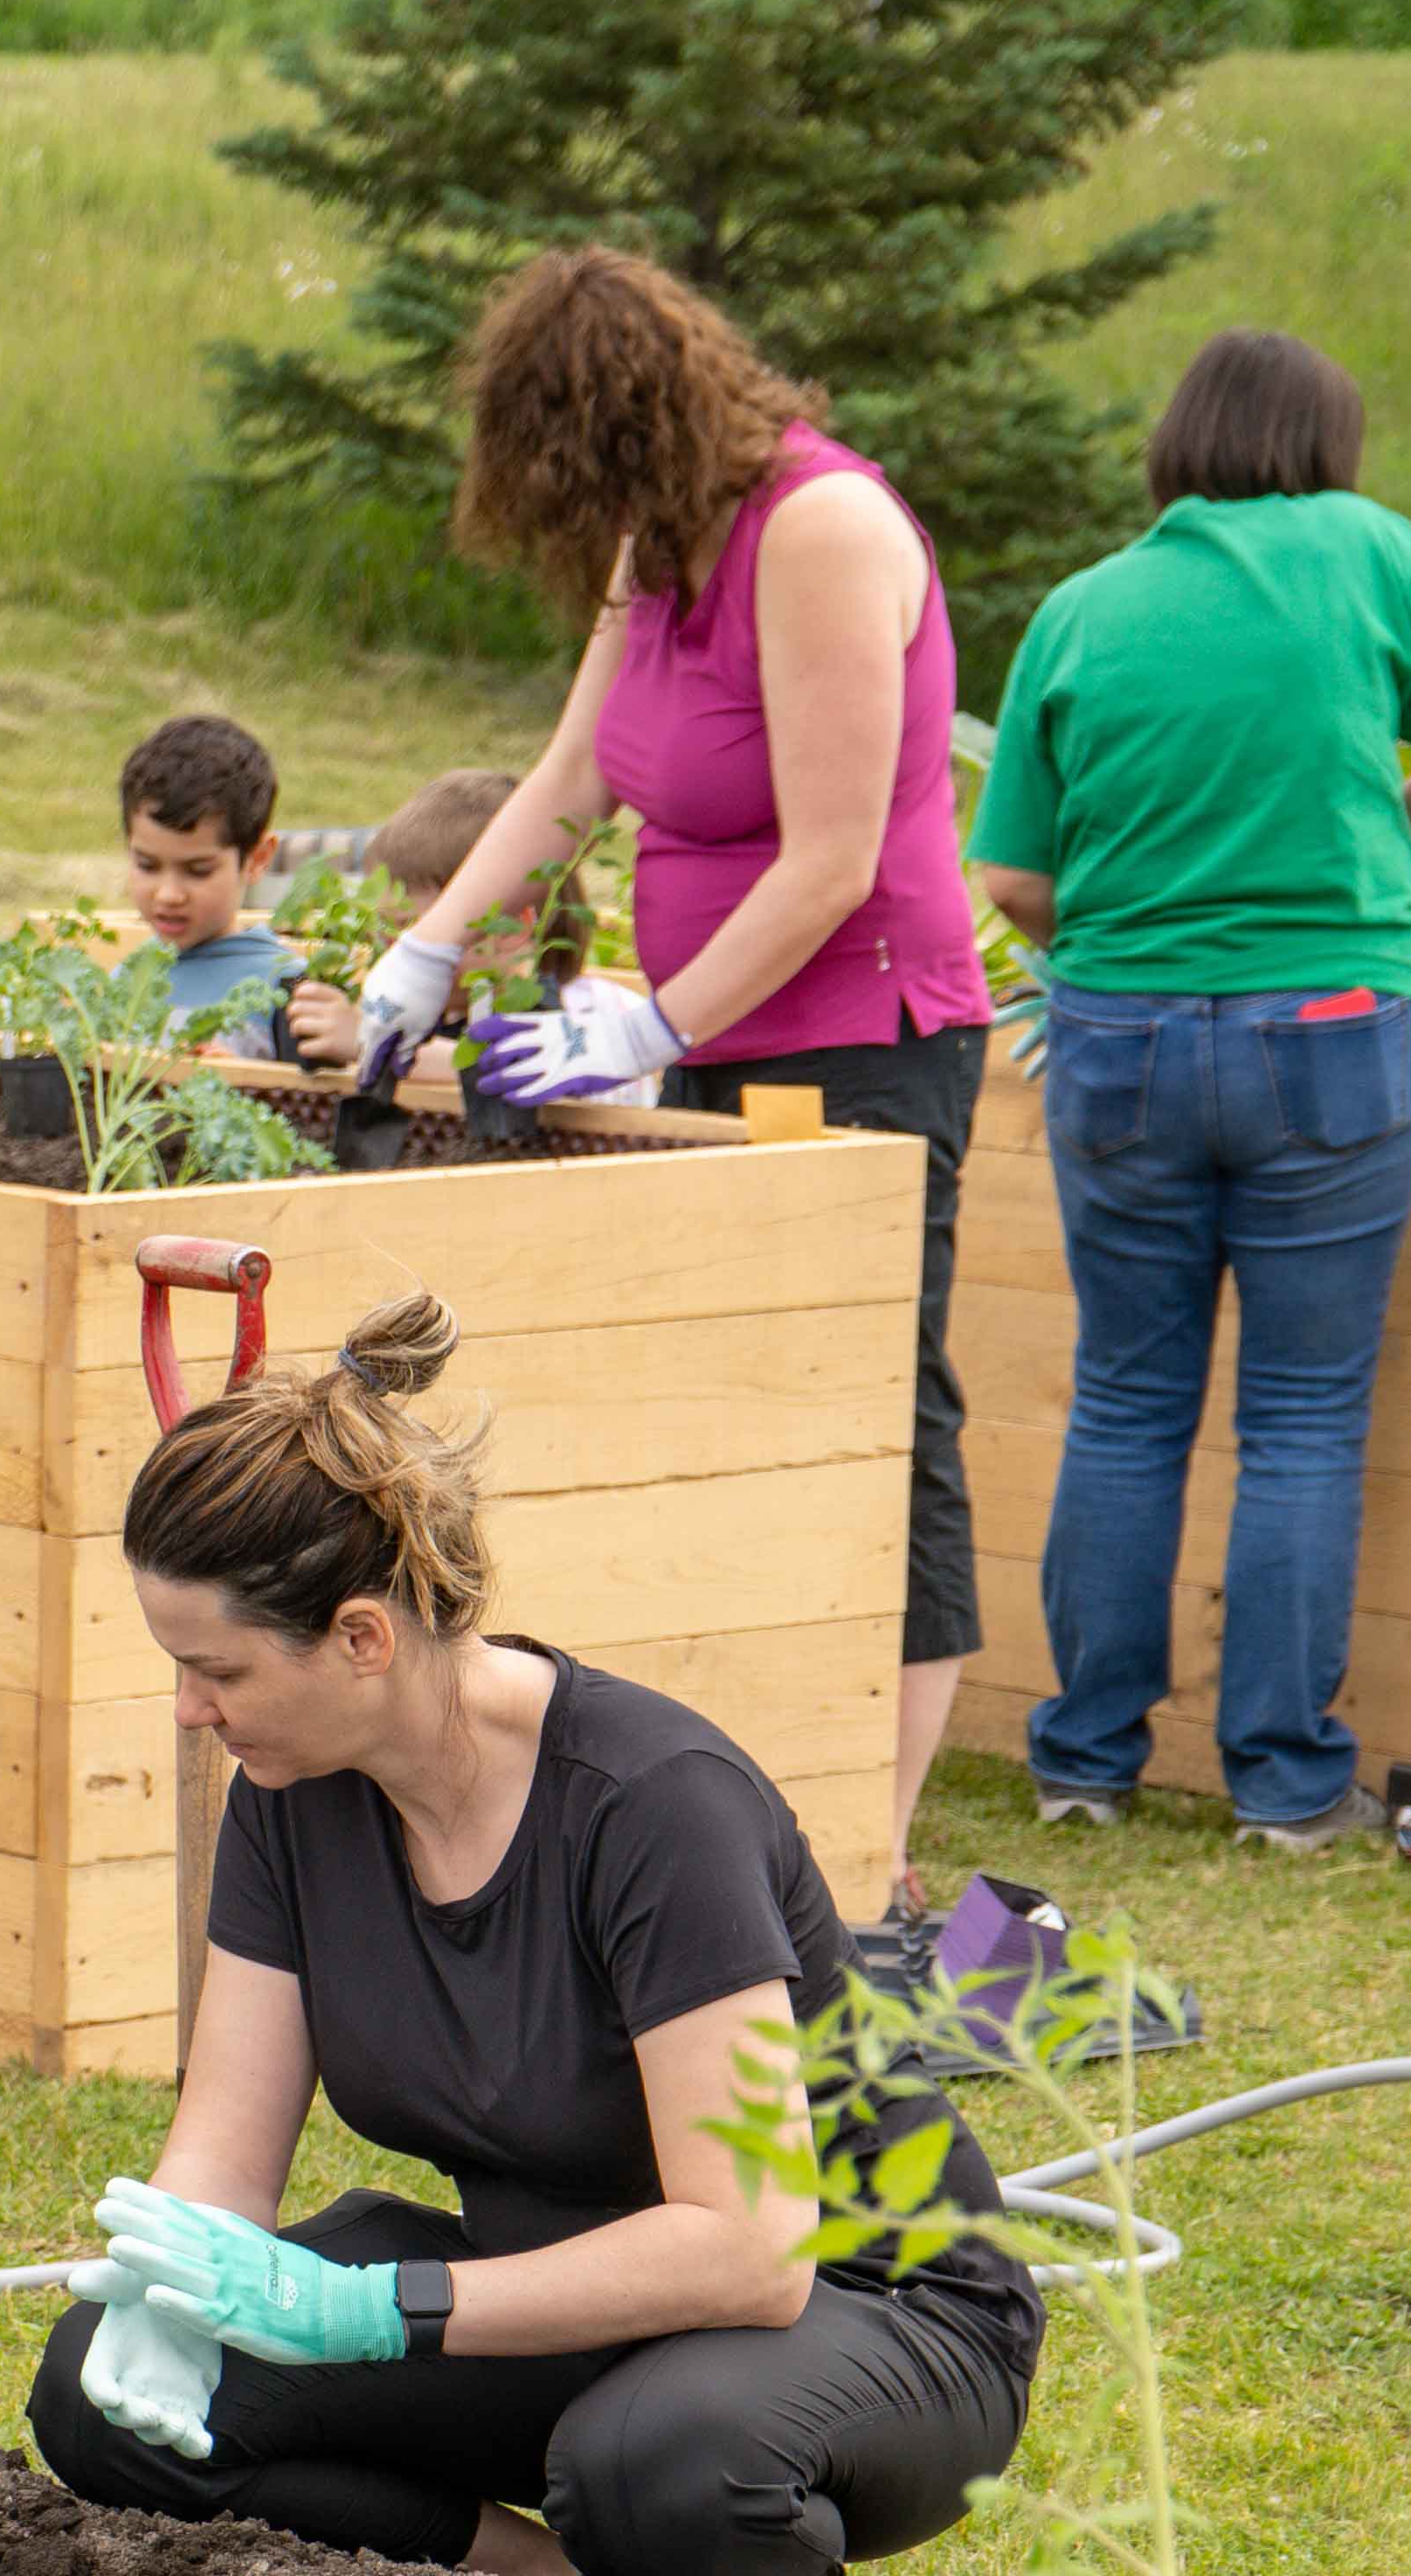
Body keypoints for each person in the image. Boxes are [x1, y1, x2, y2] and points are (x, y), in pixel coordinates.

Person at [27, 1295, 1041, 2576]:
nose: (192, 1713)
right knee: (110, 2403)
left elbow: (749, 2251)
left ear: (365, 1639)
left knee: (649, 2468)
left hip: (859, 2309)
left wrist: (381, 2311)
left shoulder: (649, 1807)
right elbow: (225, 2149)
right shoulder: (294, 1794)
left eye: (217, 1672)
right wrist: (172, 2289)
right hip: (567, 2307)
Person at [351, 251, 993, 1961]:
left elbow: (839, 853)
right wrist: (421, 949)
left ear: (629, 428)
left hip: (858, 1054)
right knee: (721, 1394)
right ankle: (752, 1795)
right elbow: (568, 782)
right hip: (706, 1049)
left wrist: (645, 1018)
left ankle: (868, 1859)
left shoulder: (823, 532)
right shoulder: (660, 545)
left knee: (871, 1417)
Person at [970, 328, 1411, 1849]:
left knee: (1124, 1400)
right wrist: (1406, 828)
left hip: (1121, 1042)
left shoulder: (1087, 607)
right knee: (1303, 1414)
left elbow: (1018, 878)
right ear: (1330, 444)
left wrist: (1127, 952)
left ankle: (1085, 1763)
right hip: (1342, 1028)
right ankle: (1288, 1791)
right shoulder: (1363, 550)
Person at [282, 765, 591, 1074]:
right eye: (384, 930)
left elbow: (519, 1072)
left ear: (509, 928)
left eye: (412, 929)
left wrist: (370, 1042)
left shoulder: (539, 1009)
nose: (395, 952)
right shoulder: (443, 1013)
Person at [121, 713, 297, 1033]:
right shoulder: (124, 981)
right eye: (147, 865)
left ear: (257, 859)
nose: (169, 894)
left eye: (198, 871)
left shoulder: (287, 988)